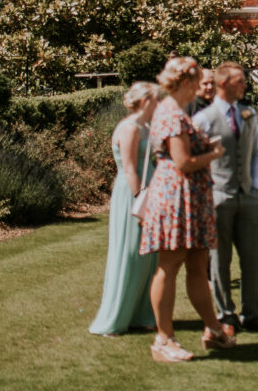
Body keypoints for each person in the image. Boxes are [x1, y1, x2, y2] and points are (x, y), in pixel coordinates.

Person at [139, 57, 234, 363]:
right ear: (184, 83)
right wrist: (214, 153)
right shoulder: (170, 113)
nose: (201, 87)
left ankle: (214, 329)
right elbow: (183, 162)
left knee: (196, 263)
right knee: (169, 265)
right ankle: (163, 340)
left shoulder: (177, 112)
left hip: (190, 198)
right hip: (175, 197)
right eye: (197, 82)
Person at [191, 62, 258, 335]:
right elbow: (193, 159)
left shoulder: (249, 114)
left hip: (247, 196)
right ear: (224, 84)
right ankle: (225, 317)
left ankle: (251, 315)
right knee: (219, 260)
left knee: (252, 257)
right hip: (217, 196)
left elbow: (257, 152)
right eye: (239, 81)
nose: (244, 85)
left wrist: (256, 187)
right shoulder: (204, 119)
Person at [89, 82, 160, 336]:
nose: (159, 104)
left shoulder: (146, 127)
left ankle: (141, 314)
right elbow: (129, 169)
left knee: (149, 256)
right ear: (144, 102)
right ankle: (116, 317)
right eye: (156, 100)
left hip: (148, 191)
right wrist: (142, 198)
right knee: (130, 253)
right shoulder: (130, 128)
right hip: (133, 195)